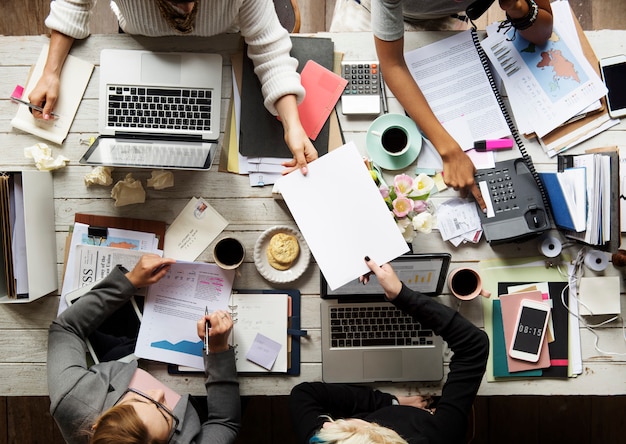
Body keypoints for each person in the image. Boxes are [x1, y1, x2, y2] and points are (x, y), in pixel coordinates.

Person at [30, 0, 317, 174]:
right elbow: (72, 5)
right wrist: (51, 72)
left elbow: (270, 50)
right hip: (139, 39)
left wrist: (292, 125)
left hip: (218, 41)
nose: (187, 9)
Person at [332, 0, 553, 210]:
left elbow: (543, 32)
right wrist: (449, 150)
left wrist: (519, 8)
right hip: (370, 10)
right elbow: (392, 64)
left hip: (442, 19)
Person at [289, 256, 489, 444]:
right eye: (353, 426)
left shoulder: (326, 439)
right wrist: (400, 294)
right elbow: (474, 345)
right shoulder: (438, 435)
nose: (345, 422)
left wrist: (391, 402)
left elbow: (303, 394)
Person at [47, 254, 240, 443]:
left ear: (98, 423)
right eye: (165, 416)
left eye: (138, 401)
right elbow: (224, 423)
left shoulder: (71, 399)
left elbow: (65, 329)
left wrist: (129, 281)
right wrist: (218, 350)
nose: (159, 393)